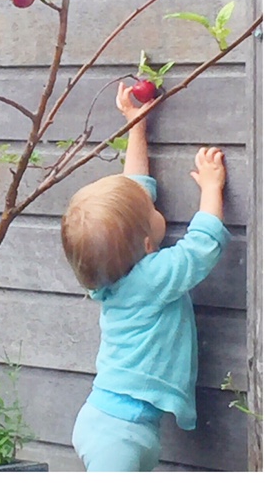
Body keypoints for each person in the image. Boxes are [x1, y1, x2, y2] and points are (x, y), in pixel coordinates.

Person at [60, 81, 230, 472]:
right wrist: (211, 187)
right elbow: (201, 247)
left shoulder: (108, 276)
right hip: (120, 433)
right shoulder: (151, 278)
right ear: (147, 243)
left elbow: (133, 192)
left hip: (107, 422)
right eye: (149, 211)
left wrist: (136, 126)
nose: (152, 204)